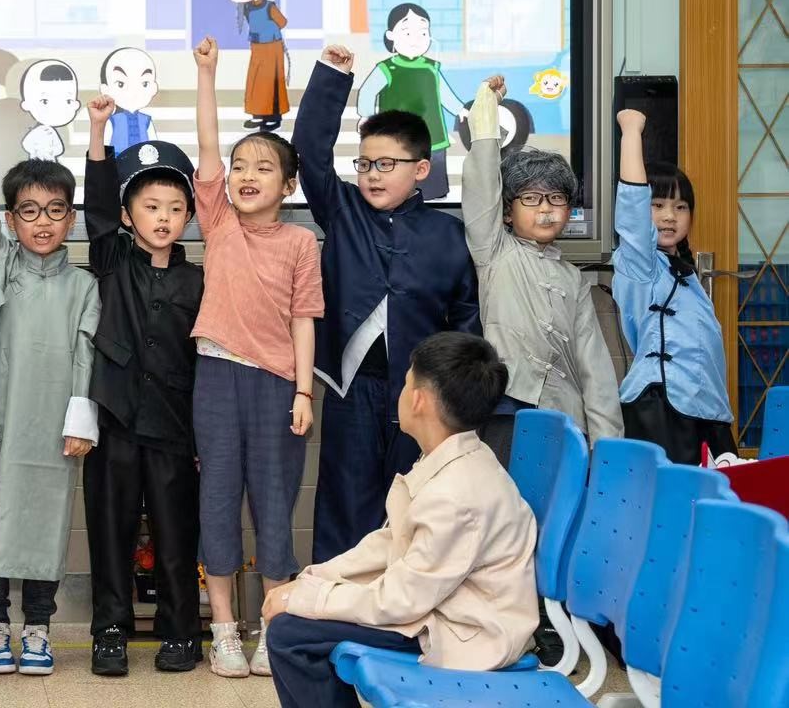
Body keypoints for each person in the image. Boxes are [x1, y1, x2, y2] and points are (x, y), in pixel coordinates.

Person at [262, 332, 538, 708]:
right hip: (441, 606)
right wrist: (312, 580)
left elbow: (400, 600)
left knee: (291, 635)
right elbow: (390, 543)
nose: (401, 392)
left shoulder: (457, 496)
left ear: (419, 400)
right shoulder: (450, 459)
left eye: (406, 383)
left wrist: (306, 599)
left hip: (466, 630)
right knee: (296, 624)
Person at [293, 45, 481, 563]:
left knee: (414, 506)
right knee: (345, 503)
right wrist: (332, 76)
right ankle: (336, 601)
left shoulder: (448, 234)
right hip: (352, 388)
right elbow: (309, 147)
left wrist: (455, 394)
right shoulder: (343, 210)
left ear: (421, 168)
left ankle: (405, 601)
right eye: (365, 164)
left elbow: (465, 319)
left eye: (386, 164)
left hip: (420, 395)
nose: (372, 175)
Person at [0, 100, 100, 678]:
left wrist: (80, 423)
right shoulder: (1, 267)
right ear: (11, 221)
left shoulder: (84, 286)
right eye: (29, 212)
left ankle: (38, 625)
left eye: (55, 211)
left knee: (48, 522)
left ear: (70, 219)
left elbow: (85, 356)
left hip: (58, 429)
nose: (42, 223)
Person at [191, 37, 322, 678]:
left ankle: (273, 628)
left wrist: (303, 392)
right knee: (217, 502)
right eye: (241, 165)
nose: (246, 174)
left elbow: (304, 320)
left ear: (288, 184)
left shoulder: (300, 243)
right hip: (216, 377)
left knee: (274, 507)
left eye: (263, 167)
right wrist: (207, 74)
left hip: (276, 387)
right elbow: (208, 151)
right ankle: (223, 631)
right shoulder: (218, 223)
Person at [82, 94, 205, 677]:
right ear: (129, 216)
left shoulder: (200, 280)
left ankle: (181, 632)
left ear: (189, 217)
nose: (163, 218)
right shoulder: (112, 261)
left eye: (175, 208)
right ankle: (110, 630)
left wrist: (203, 438)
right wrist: (97, 133)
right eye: (150, 206)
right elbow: (97, 208)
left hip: (174, 428)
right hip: (116, 422)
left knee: (177, 534)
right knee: (111, 531)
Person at [462, 75, 622, 464]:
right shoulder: (494, 250)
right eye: (532, 198)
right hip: (505, 411)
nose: (546, 208)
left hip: (564, 418)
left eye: (556, 198)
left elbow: (595, 367)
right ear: (507, 211)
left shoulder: (573, 279)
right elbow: (481, 183)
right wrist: (488, 108)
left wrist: (606, 447)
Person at [613, 109, 736, 464]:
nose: (670, 215)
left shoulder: (685, 273)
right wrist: (631, 130)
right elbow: (632, 211)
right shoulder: (640, 264)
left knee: (719, 491)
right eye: (657, 204)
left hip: (703, 407)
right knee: (677, 495)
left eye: (680, 207)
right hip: (661, 407)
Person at [356, 2, 467, 201]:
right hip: (395, 136)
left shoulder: (432, 67)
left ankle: (434, 197)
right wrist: (366, 116)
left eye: (423, 33)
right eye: (408, 33)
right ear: (391, 35)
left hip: (432, 132)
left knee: (434, 170)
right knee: (396, 169)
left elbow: (444, 93)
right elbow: (367, 92)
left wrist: (459, 109)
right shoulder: (387, 68)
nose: (416, 39)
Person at [229, 0, 290, 132]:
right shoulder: (247, 7)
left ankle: (273, 116)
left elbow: (282, 22)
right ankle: (257, 115)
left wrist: (270, 2)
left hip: (272, 47)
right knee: (256, 81)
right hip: (256, 46)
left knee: (271, 82)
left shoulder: (269, 6)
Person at [98, 46, 159, 155]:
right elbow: (104, 146)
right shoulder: (112, 120)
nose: (133, 91)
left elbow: (155, 144)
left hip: (143, 161)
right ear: (105, 89)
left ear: (154, 87)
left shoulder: (146, 120)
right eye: (120, 84)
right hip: (118, 160)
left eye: (145, 83)